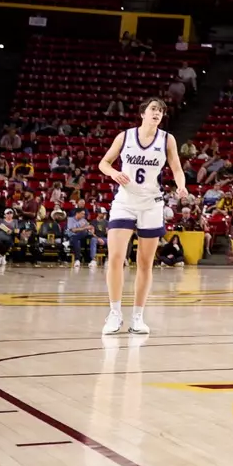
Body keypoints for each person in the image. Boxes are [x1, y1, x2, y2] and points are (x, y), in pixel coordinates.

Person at [97, 98, 189, 335]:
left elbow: (177, 168)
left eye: (161, 111)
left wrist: (181, 186)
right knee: (116, 257)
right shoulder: (125, 136)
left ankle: (137, 317)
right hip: (125, 202)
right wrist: (114, 173)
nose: (157, 113)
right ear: (143, 114)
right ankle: (115, 313)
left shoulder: (167, 139)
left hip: (151, 204)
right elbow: (103, 163)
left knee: (145, 264)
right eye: (153, 109)